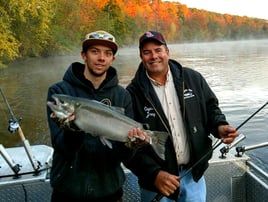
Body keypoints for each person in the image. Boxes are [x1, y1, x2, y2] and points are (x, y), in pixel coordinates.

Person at [125, 31, 239, 202]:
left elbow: (211, 109)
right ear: (141, 56)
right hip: (156, 184)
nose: (153, 56)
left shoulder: (192, 78)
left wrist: (220, 126)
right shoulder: (132, 94)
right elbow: (128, 147)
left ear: (167, 52)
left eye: (158, 50)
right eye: (147, 52)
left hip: (194, 176)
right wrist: (154, 174)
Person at [46, 30, 147, 202]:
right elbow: (61, 147)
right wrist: (74, 130)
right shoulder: (60, 93)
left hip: (109, 191)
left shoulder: (122, 96)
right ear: (84, 55)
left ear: (112, 59)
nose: (101, 58)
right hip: (68, 191)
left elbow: (123, 157)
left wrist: (132, 145)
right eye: (95, 51)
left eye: (107, 53)